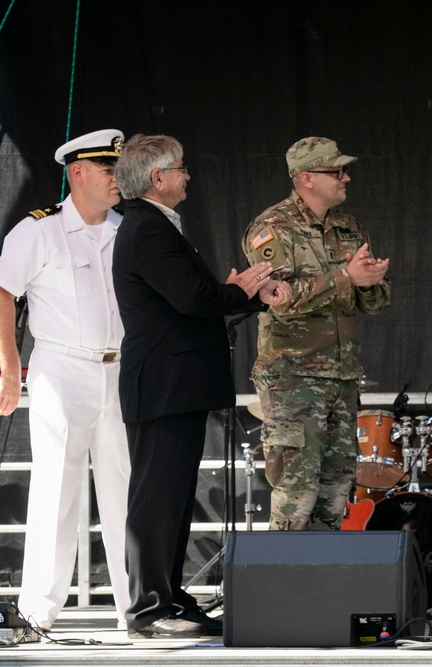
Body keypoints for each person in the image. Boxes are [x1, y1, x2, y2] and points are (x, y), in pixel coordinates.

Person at [112, 134, 291, 639]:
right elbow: (193, 298)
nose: (188, 176)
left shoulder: (156, 226)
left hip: (176, 384)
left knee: (171, 495)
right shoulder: (148, 228)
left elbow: (195, 299)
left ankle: (169, 596)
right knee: (156, 498)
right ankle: (149, 607)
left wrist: (240, 294)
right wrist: (239, 290)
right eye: (182, 168)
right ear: (157, 178)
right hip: (165, 384)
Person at [0, 129, 131, 631]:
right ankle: (39, 610)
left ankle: (134, 609)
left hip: (121, 367)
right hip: (62, 368)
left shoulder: (129, 228)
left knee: (127, 489)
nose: (118, 179)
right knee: (56, 488)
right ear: (77, 173)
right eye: (108, 170)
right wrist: (11, 367)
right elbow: (3, 294)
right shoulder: (39, 230)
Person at [242, 137, 390, 531]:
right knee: (296, 498)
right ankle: (278, 590)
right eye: (335, 171)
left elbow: (375, 305)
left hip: (341, 378)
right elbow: (280, 299)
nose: (346, 177)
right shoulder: (272, 228)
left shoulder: (349, 227)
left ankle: (316, 590)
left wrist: (369, 282)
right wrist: (346, 276)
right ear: (306, 178)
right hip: (294, 380)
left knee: (335, 495)